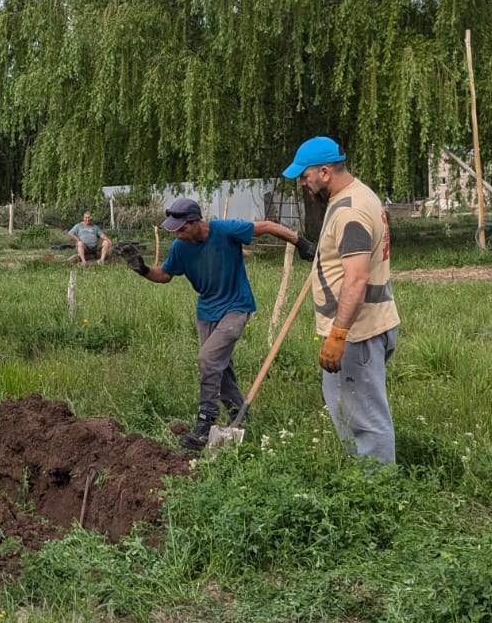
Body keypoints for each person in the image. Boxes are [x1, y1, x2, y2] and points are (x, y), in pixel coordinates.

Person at [120, 197, 315, 449]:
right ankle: (240, 418)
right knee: (219, 370)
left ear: (195, 222)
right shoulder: (180, 247)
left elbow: (266, 226)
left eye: (181, 229)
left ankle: (204, 424)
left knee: (208, 359)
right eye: (173, 230)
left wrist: (300, 242)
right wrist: (142, 269)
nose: (177, 234)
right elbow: (165, 275)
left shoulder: (224, 230)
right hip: (206, 312)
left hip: (236, 306)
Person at [283, 136, 400, 464]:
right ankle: (361, 477)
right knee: (347, 408)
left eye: (304, 177)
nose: (302, 184)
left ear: (324, 172)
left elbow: (357, 278)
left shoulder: (350, 211)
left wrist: (339, 335)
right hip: (361, 327)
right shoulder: (353, 196)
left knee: (366, 420)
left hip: (357, 332)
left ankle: (377, 493)